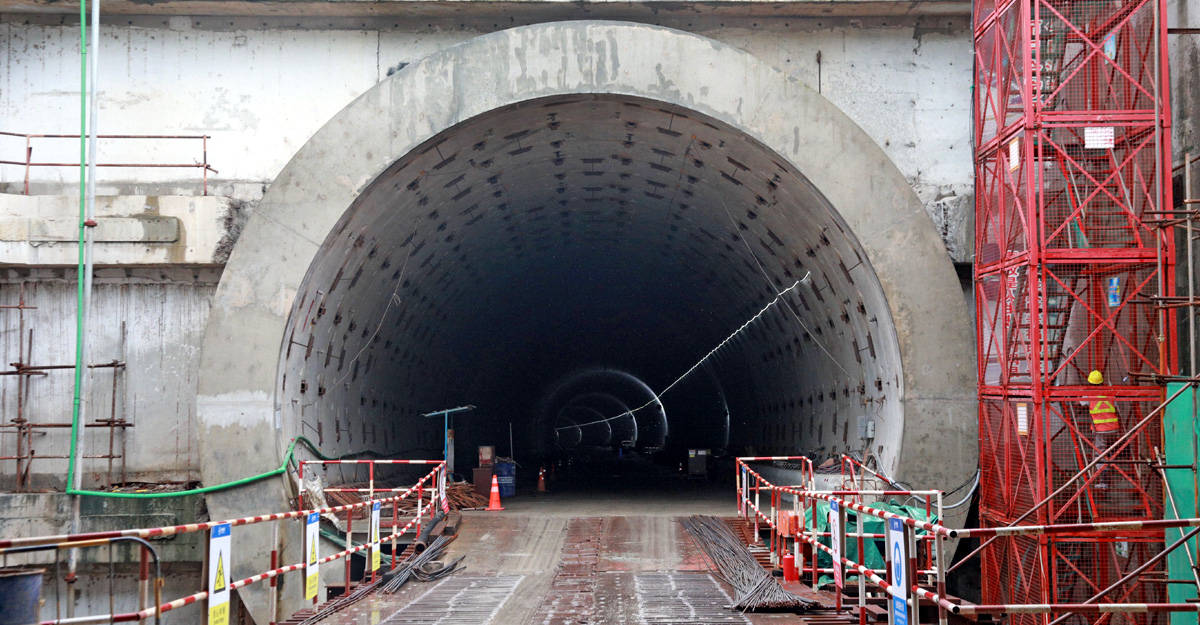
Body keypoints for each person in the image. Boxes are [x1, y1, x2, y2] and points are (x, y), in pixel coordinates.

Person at [1084, 370, 1119, 489]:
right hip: (1114, 429)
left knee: (1100, 456)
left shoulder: (1089, 395)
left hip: (1100, 431)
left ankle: (1104, 481)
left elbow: (1080, 402)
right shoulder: (1109, 392)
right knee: (1111, 452)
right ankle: (1112, 469)